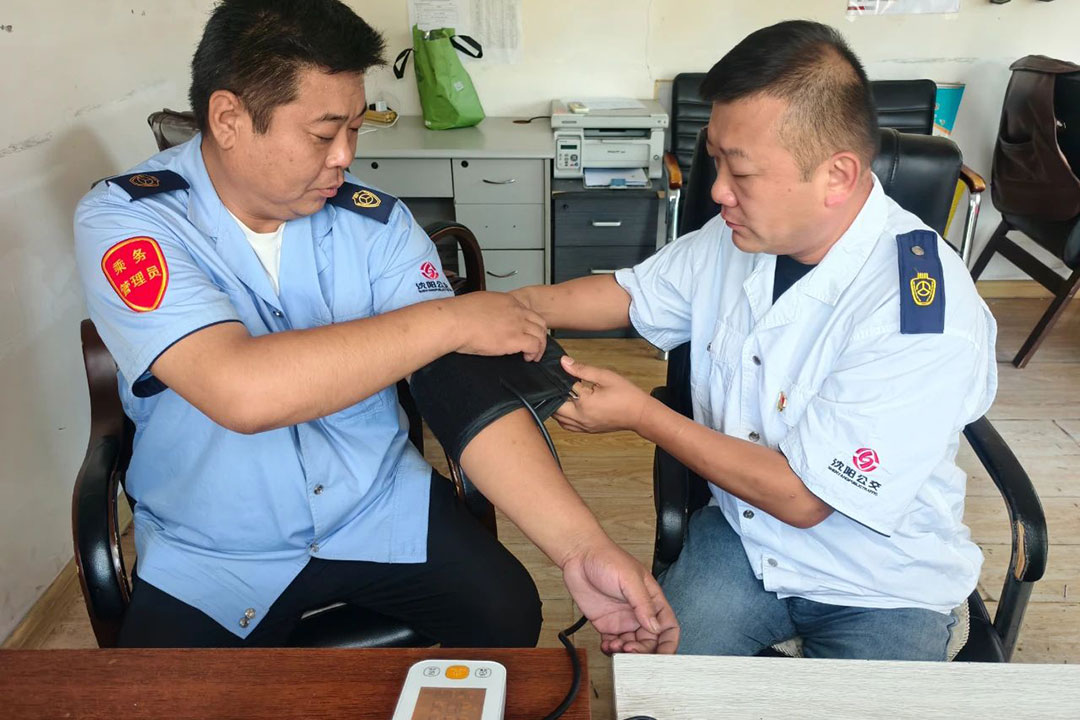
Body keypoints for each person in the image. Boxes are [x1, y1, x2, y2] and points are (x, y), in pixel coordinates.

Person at [74, 0, 677, 653]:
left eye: (355, 128)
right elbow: (241, 390)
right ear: (229, 119)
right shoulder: (130, 219)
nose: (345, 156)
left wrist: (582, 547)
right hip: (214, 543)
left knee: (506, 614)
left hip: (376, 505)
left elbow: (465, 393)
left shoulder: (376, 223)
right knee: (157, 695)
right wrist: (451, 318)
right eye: (323, 133)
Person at [511, 20, 996, 660]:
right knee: (664, 689)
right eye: (715, 160)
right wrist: (510, 309)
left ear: (837, 175)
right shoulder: (738, 237)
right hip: (745, 536)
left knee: (860, 705)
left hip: (878, 577)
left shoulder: (919, 307)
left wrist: (640, 415)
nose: (717, 192)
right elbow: (630, 295)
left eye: (740, 171)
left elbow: (804, 498)